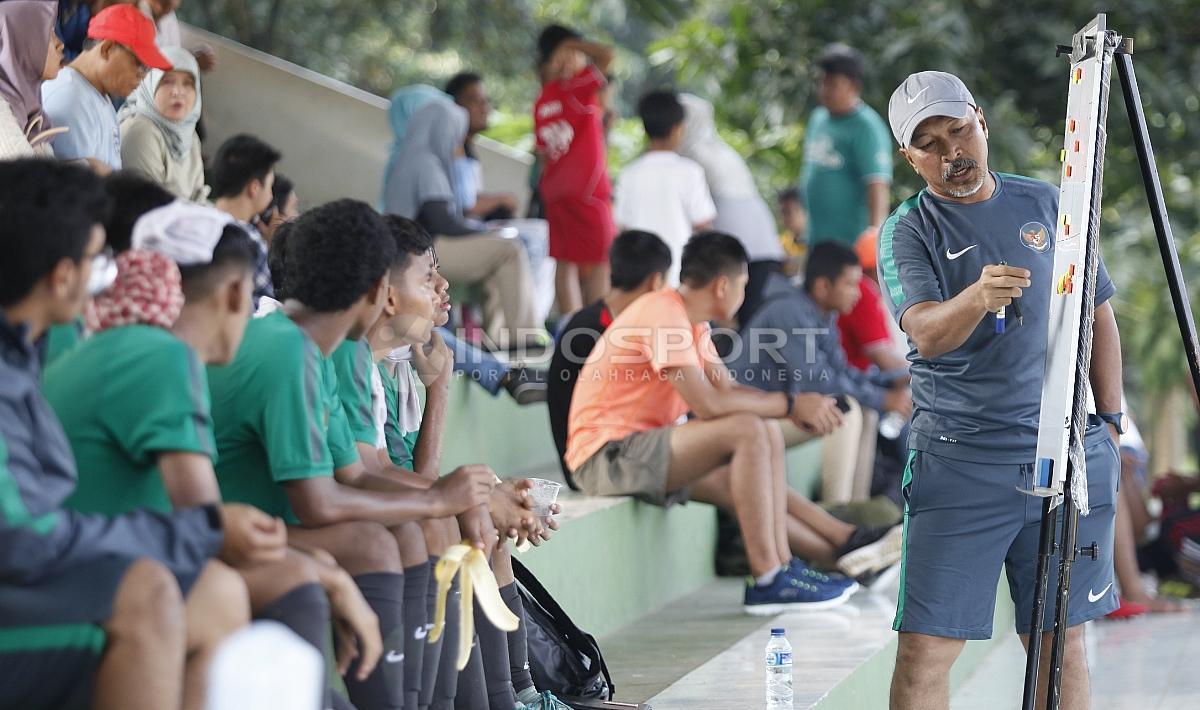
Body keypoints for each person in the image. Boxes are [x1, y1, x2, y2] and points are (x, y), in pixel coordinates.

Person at [43, 203, 381, 709]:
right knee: (271, 582)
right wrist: (328, 575)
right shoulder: (163, 357)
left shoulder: (128, 346)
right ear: (236, 292)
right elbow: (207, 531)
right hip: (77, 587)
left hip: (83, 566)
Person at [880, 71, 1122, 710]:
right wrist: (976, 298)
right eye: (927, 144)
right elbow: (926, 333)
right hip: (962, 464)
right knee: (927, 648)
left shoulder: (1046, 203)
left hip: (1064, 457)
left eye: (957, 130)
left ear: (980, 121)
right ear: (910, 159)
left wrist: (1113, 421)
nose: (949, 152)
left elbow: (1096, 311)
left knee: (1057, 643)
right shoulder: (909, 228)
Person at [206, 198, 504, 710]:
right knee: (380, 543)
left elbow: (360, 472)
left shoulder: (313, 348)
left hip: (265, 520)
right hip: (231, 526)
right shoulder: (288, 350)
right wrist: (439, 500)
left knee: (414, 529)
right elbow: (319, 503)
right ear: (375, 292)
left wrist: (450, 498)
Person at [0, 157, 268, 710]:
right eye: (98, 257)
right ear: (62, 275)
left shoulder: (30, 349)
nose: (111, 269)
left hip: (33, 577)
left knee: (204, 595)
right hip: (20, 588)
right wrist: (199, 532)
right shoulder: (149, 354)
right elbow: (23, 536)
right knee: (147, 593)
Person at [567, 231, 902, 614]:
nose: (745, 294)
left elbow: (726, 388)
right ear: (724, 286)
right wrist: (793, 404)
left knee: (746, 462)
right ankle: (770, 577)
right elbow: (710, 404)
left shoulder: (693, 322)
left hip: (643, 448)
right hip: (605, 457)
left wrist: (786, 406)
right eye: (744, 285)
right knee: (750, 430)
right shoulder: (662, 312)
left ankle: (845, 551)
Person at [728, 242, 913, 504]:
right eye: (850, 285)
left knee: (867, 411)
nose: (857, 294)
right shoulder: (788, 311)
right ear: (823, 286)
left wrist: (891, 381)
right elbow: (819, 382)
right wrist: (885, 398)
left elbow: (840, 372)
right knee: (844, 408)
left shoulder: (822, 316)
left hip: (779, 411)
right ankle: (836, 509)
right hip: (751, 415)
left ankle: (855, 507)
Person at [383, 98, 543, 351]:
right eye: (453, 132)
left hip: (418, 247)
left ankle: (499, 342)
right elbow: (443, 222)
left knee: (496, 261)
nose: (456, 141)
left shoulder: (410, 156)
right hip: (421, 251)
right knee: (508, 249)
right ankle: (525, 339)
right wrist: (487, 230)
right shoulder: (426, 163)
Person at [548, 229, 673, 486]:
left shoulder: (618, 323)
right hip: (591, 464)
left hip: (620, 449)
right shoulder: (589, 331)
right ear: (656, 281)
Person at [446, 70, 556, 323]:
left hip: (470, 229)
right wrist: (501, 200)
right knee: (536, 237)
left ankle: (514, 331)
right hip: (456, 234)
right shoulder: (452, 148)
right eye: (476, 100)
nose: (485, 107)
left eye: (486, 100)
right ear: (455, 107)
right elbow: (464, 205)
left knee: (540, 235)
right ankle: (531, 324)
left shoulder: (467, 148)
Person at [679, 93, 789, 325]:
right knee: (750, 322)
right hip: (763, 245)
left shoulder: (693, 154)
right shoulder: (722, 150)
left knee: (731, 321)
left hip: (738, 249)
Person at [533, 23, 616, 315]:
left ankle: (570, 325)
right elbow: (607, 55)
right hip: (588, 191)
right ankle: (594, 330)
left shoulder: (543, 99)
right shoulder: (575, 88)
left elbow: (543, 153)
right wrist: (574, 45)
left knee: (565, 261)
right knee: (602, 261)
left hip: (555, 192)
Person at [42, 2, 171, 172]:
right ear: (107, 49)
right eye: (139, 64)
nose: (143, 75)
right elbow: (75, 191)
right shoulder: (70, 98)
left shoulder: (96, 93)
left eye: (148, 69)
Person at [613, 89, 716, 287]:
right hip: (679, 276)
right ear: (678, 129)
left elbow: (623, 227)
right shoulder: (690, 172)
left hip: (639, 278)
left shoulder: (629, 174)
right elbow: (703, 227)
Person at [797, 44, 893, 247]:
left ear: (854, 87)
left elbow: (878, 186)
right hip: (817, 237)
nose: (824, 90)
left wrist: (875, 238)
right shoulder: (818, 118)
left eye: (832, 84)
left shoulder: (866, 127)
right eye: (822, 83)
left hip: (850, 244)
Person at [117, 45, 206, 201]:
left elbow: (199, 197)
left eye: (188, 83)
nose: (178, 92)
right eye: (167, 81)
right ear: (149, 84)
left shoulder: (189, 135)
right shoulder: (140, 131)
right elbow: (150, 205)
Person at [210, 133, 281, 308]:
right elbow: (263, 308)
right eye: (270, 186)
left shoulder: (191, 218)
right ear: (254, 188)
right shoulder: (251, 243)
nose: (270, 194)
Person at [0, 0, 66, 160]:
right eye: (49, 33)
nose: (60, 45)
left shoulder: (29, 104)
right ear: (22, 41)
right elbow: (29, 179)